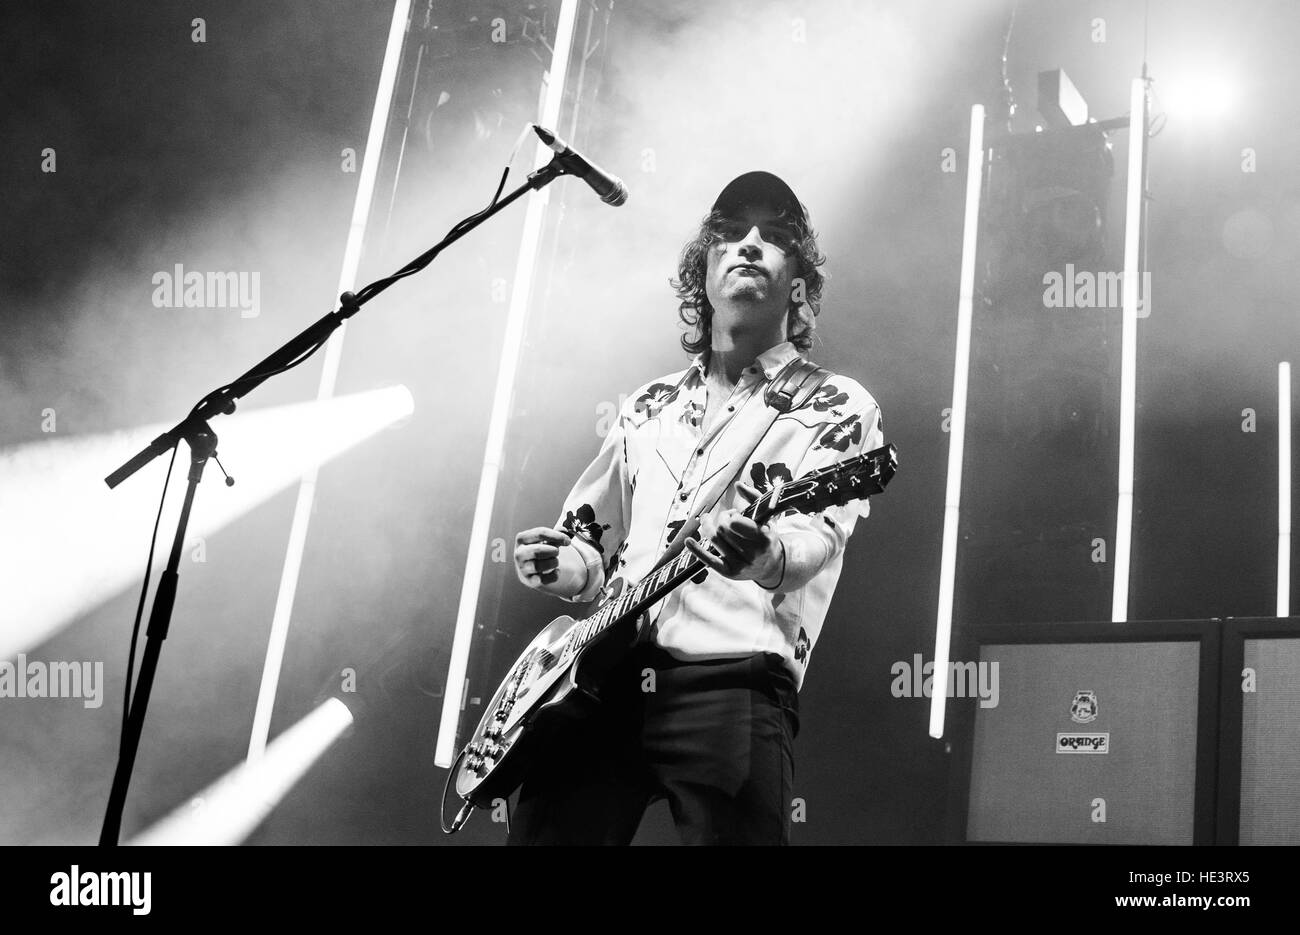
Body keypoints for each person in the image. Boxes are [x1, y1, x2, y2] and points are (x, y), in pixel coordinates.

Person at [508, 171, 885, 845]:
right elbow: (593, 552)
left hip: (731, 681)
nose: (748, 244)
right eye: (730, 234)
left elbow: (815, 538)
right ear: (700, 276)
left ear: (798, 288)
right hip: (601, 677)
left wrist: (765, 555)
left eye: (773, 238)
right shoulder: (646, 405)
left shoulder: (838, 405)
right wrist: (559, 562)